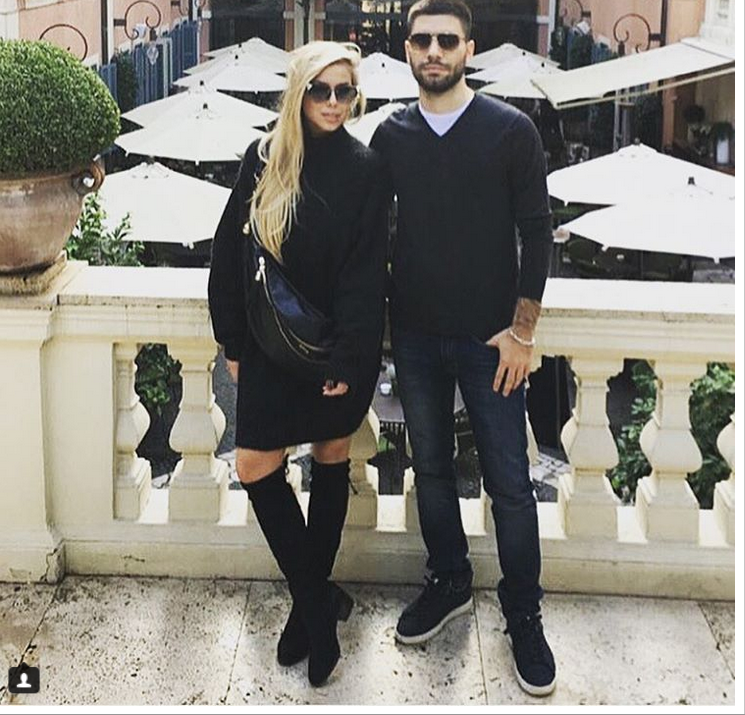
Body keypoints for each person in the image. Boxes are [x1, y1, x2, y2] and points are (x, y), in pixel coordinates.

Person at [370, 0, 557, 696]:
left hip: (492, 343)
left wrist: (523, 331)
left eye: (447, 40)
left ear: (468, 49)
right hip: (415, 337)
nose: (434, 51)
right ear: (407, 49)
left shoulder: (511, 131)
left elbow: (537, 233)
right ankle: (449, 579)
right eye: (422, 40)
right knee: (431, 468)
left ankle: (524, 612)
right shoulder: (390, 135)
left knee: (510, 483)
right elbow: (368, 231)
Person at [208, 41, 389, 687]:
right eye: (322, 90)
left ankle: (308, 613)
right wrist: (232, 343)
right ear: (298, 93)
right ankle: (318, 605)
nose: (334, 103)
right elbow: (229, 256)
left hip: (336, 350)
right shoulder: (262, 159)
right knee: (254, 465)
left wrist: (348, 359)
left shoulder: (366, 169)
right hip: (269, 349)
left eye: (345, 91)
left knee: (331, 457)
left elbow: (367, 276)